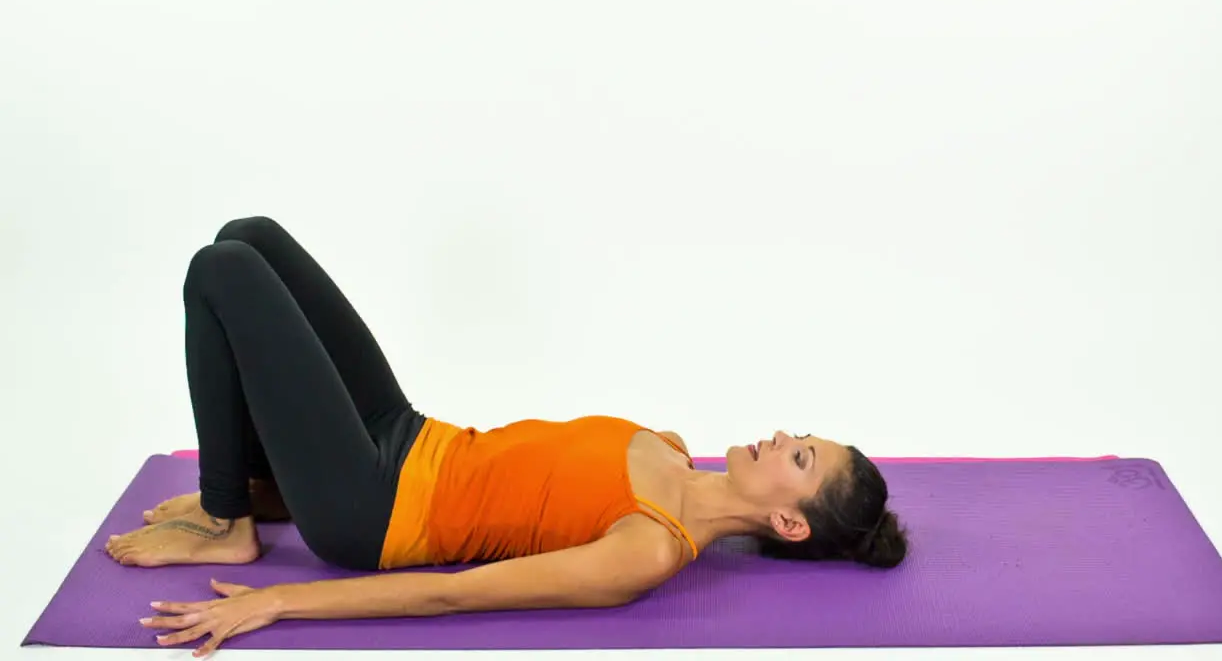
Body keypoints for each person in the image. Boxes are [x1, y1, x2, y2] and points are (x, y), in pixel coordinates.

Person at [105, 216, 907, 657]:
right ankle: (252, 496)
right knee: (254, 235)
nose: (780, 436)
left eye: (800, 456)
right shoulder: (669, 445)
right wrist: (280, 486)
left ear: (790, 522)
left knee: (224, 271)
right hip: (409, 438)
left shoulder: (648, 549)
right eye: (801, 434)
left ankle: (223, 523)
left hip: (373, 511)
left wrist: (277, 602)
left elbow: (450, 593)